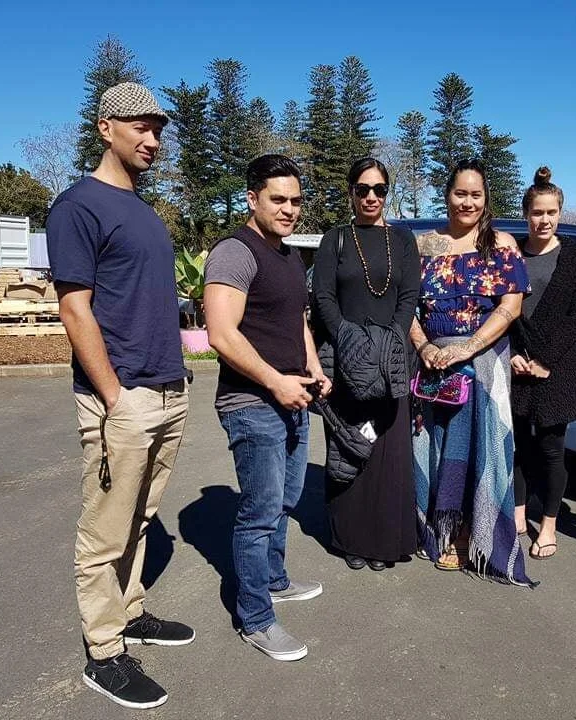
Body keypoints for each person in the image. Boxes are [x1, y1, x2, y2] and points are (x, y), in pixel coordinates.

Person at [47, 82, 193, 710]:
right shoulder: (78, 207)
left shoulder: (142, 208)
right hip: (123, 397)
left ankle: (130, 612)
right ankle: (104, 652)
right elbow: (74, 310)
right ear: (106, 128)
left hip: (167, 389)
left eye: (158, 129)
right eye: (139, 126)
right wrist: (114, 396)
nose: (152, 139)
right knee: (105, 530)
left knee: (141, 517)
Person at [204, 154, 331, 662]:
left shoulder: (289, 256)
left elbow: (296, 321)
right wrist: (276, 382)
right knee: (259, 513)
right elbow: (220, 333)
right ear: (252, 198)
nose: (289, 209)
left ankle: (274, 580)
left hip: (293, 395)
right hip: (252, 402)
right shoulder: (235, 253)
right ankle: (255, 617)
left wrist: (313, 366)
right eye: (278, 199)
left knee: (285, 500)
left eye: (296, 201)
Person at [410, 158, 533, 586]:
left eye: (475, 194)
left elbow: (510, 308)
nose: (467, 202)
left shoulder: (501, 244)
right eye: (460, 193)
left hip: (483, 363)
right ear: (447, 195)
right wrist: (425, 345)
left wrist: (467, 347)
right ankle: (437, 528)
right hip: (433, 363)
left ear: (486, 199)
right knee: (436, 446)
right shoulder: (425, 245)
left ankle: (468, 535)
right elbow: (406, 307)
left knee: (481, 449)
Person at [312, 157, 421, 572]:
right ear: (351, 193)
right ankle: (351, 540)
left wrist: (389, 341)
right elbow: (323, 296)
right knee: (350, 447)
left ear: (386, 193)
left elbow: (409, 296)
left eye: (379, 189)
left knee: (387, 454)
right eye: (363, 189)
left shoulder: (403, 241)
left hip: (391, 361)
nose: (371, 197)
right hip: (345, 362)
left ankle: (384, 541)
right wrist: (348, 338)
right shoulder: (335, 239)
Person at [510, 167, 576, 560]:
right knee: (517, 446)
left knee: (551, 449)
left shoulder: (575, 255)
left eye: (551, 212)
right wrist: (514, 352)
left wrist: (544, 360)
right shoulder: (512, 252)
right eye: (537, 212)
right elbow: (501, 309)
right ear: (526, 213)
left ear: (560, 212)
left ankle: (548, 525)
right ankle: (517, 515)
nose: (544, 220)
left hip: (557, 367)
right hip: (516, 366)